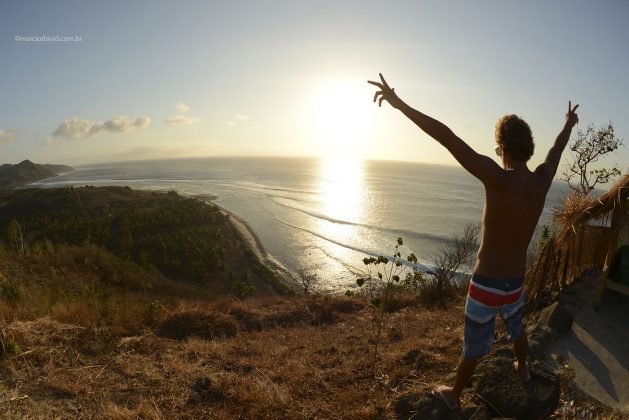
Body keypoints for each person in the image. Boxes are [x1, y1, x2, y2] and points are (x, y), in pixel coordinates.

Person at [368, 73, 579, 409]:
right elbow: (557, 149)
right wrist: (568, 124)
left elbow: (447, 137)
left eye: (498, 148)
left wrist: (399, 104)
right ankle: (522, 369)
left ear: (504, 149)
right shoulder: (541, 181)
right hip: (514, 283)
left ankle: (454, 395)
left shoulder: (496, 177)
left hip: (485, 284)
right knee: (517, 329)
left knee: (475, 346)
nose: (497, 154)